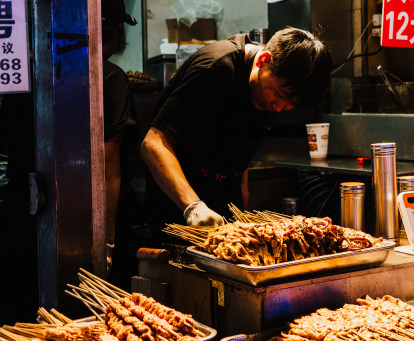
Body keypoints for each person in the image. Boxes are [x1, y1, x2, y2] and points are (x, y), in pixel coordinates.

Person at [140, 28, 333, 234]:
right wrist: (194, 208)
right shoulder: (215, 68)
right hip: (178, 216)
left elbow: (239, 149)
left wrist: (245, 211)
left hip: (224, 220)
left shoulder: (269, 91)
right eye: (278, 95)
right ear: (263, 60)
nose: (278, 107)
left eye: (289, 105)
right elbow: (153, 144)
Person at [102, 0, 140, 289]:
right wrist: (108, 234)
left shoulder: (41, 74)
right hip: (102, 211)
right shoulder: (112, 78)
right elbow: (108, 161)